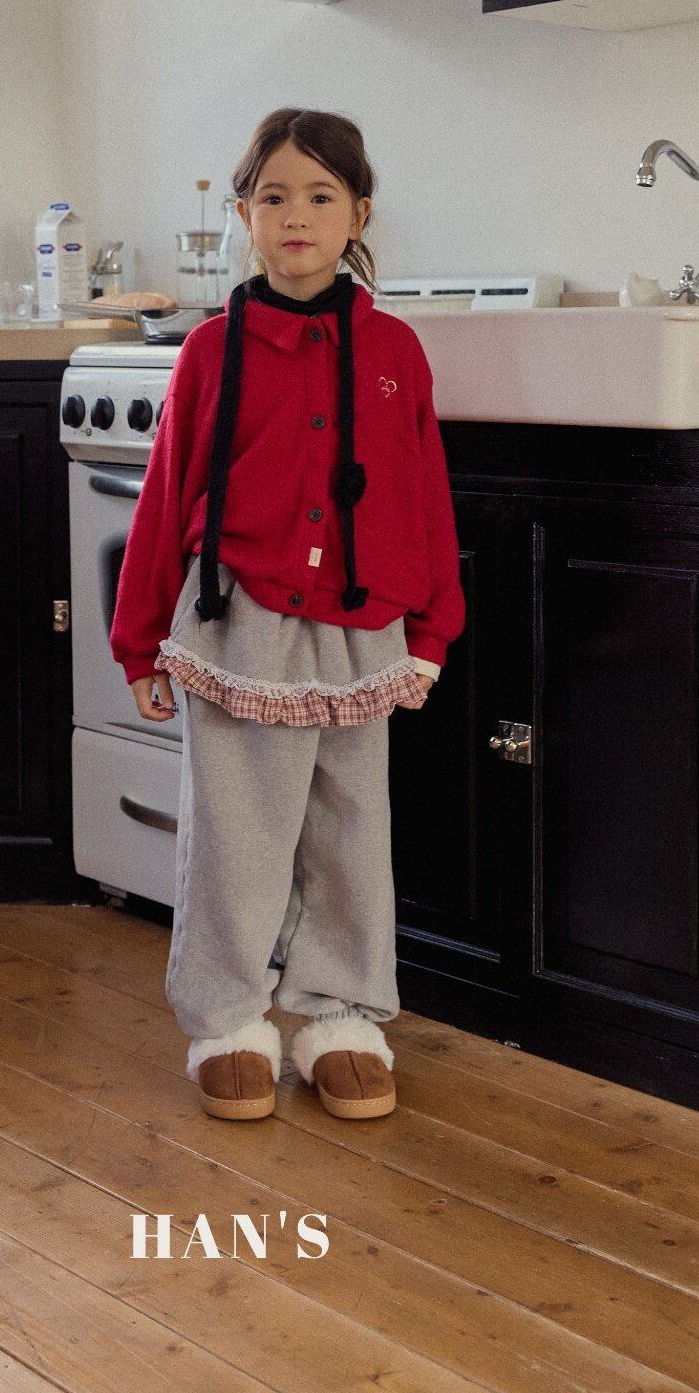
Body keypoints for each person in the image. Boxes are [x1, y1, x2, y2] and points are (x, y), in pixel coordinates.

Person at [109, 107, 465, 1122]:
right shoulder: (208, 352)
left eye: (319, 196)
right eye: (273, 197)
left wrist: (432, 628)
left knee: (351, 831)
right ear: (243, 215)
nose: (296, 217)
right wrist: (139, 642)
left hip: (362, 631)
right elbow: (165, 499)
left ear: (360, 214)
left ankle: (342, 1017)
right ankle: (226, 1022)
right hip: (237, 624)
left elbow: (423, 491)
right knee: (236, 836)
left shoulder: (395, 350)